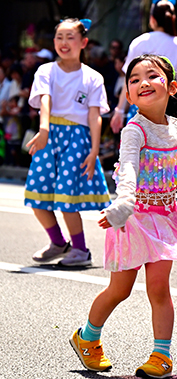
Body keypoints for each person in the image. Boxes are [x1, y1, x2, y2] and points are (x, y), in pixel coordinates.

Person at [70, 54, 177, 378]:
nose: (142, 82)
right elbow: (127, 168)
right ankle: (87, 338)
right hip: (134, 219)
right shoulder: (134, 130)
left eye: (151, 76)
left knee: (159, 288)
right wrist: (123, 204)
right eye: (135, 79)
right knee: (119, 290)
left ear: (170, 87)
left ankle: (161, 356)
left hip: (166, 218)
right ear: (128, 94)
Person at [24, 18, 111, 266]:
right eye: (59, 37)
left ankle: (81, 250)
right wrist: (44, 129)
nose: (64, 42)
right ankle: (59, 243)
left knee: (66, 198)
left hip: (77, 140)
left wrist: (94, 151)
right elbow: (45, 101)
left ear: (83, 42)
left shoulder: (93, 77)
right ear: (53, 42)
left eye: (70, 37)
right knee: (36, 195)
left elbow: (95, 115)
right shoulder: (46, 71)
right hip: (48, 137)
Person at [110, 0, 177, 133]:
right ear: (173, 19)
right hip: (170, 108)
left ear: (152, 19)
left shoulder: (139, 42)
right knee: (168, 152)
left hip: (141, 106)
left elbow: (129, 80)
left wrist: (119, 110)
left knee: (139, 150)